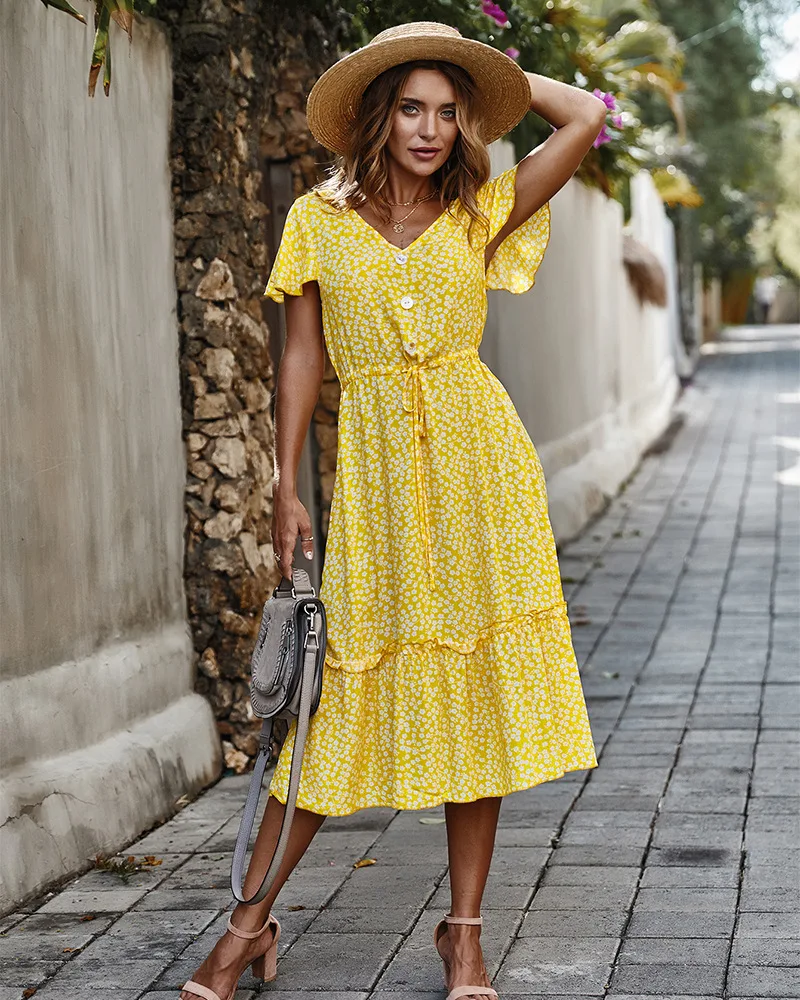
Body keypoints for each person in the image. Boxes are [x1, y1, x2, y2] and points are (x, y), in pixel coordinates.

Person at [181, 20, 605, 1000]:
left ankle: (464, 937)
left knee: (477, 703)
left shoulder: (479, 213)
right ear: (379, 115)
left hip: (482, 479)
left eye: (448, 112)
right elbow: (301, 355)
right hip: (375, 487)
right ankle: (248, 924)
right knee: (331, 715)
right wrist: (284, 483)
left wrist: (494, 70)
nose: (428, 129)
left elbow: (585, 117)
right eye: (412, 108)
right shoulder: (317, 219)